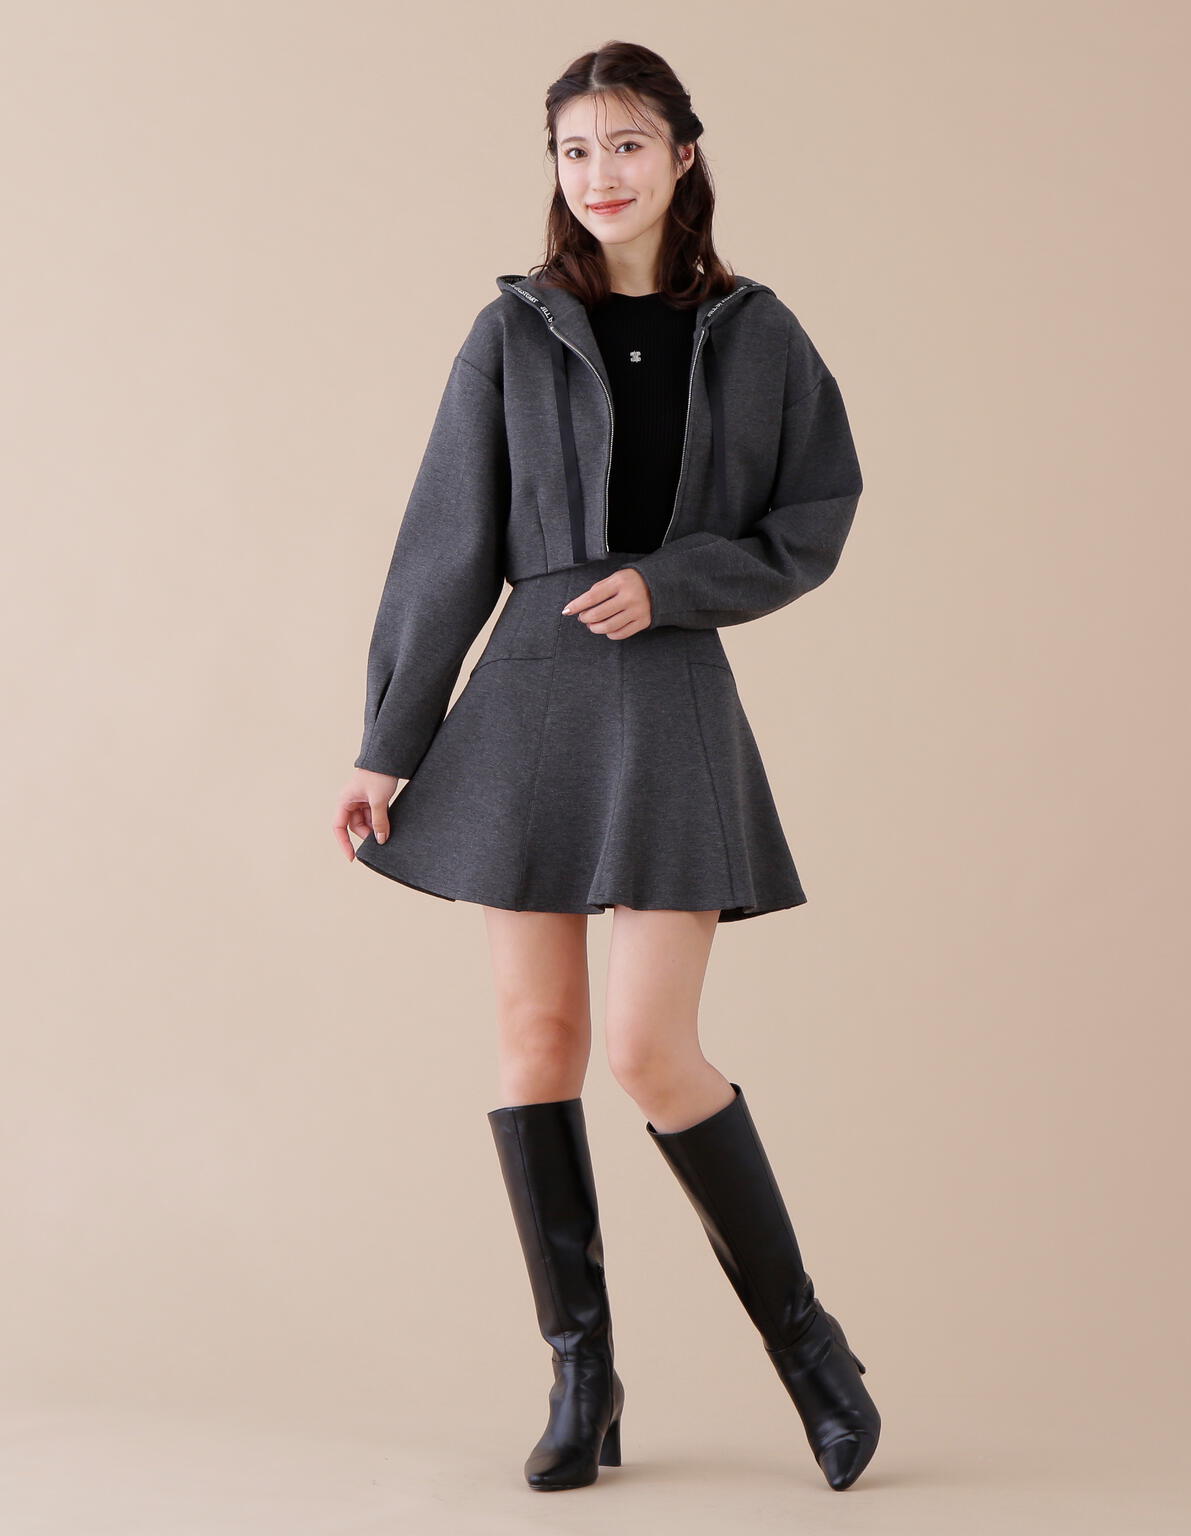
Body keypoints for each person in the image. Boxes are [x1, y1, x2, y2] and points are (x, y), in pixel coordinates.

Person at [332, 40, 881, 1494]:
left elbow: (817, 512)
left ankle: (815, 1358)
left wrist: (678, 582)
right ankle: (583, 1379)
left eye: (627, 144)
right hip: (527, 703)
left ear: (682, 155)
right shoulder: (511, 331)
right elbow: (446, 542)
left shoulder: (756, 333)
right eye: (576, 151)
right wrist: (387, 745)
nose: (601, 175)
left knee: (649, 1050)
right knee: (538, 1044)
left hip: (670, 698)